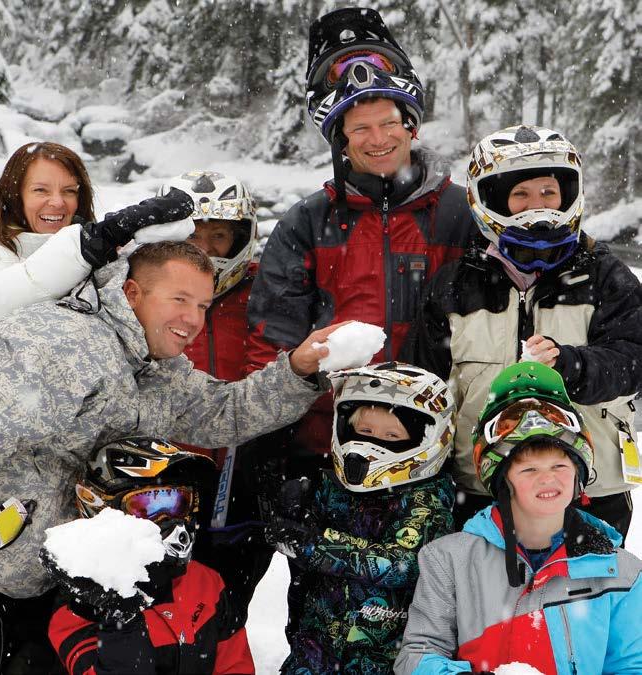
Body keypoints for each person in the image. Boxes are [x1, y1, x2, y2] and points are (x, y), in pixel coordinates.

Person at [0, 239, 341, 605]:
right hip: (10, 583)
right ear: (132, 293)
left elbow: (226, 411)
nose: (193, 319)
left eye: (202, 306)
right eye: (179, 299)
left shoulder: (156, 367)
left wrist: (298, 369)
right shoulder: (60, 344)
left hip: (81, 577)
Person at [246, 6, 476, 489]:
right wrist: (269, 448)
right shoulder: (307, 223)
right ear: (340, 140)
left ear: (411, 124)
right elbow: (272, 341)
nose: (378, 139)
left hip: (445, 448)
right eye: (360, 129)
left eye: (389, 122)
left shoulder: (464, 214)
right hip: (332, 449)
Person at [401, 124, 642, 535]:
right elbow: (424, 381)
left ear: (569, 194)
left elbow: (633, 362)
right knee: (480, 579)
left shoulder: (606, 276)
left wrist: (571, 366)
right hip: (479, 486)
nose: (538, 205)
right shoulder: (454, 285)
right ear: (492, 200)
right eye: (521, 195)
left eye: (548, 192)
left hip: (589, 487)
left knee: (588, 579)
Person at [394, 362, 642, 674]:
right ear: (502, 481)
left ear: (578, 474)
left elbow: (631, 665)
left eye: (559, 466)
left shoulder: (623, 572)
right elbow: (417, 656)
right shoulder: (450, 560)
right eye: (529, 469)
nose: (547, 479)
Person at [264, 362, 456, 674]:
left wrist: (317, 545)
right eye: (364, 432)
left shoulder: (426, 499)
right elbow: (302, 555)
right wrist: (293, 514)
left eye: (391, 435)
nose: (371, 444)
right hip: (314, 651)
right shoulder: (333, 487)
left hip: (383, 659)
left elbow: (402, 563)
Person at [160, 169, 271, 625]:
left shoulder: (265, 290)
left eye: (218, 236)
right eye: (191, 236)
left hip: (240, 469)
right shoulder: (144, 293)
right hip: (166, 472)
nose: (203, 249)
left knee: (225, 606)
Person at [45, 437, 255, 675]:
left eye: (178, 503)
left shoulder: (206, 583)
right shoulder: (76, 609)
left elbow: (236, 667)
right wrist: (122, 619)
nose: (170, 520)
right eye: (146, 507)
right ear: (102, 511)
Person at [0, 141, 195, 320]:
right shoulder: (1, 253)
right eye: (40, 190)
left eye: (69, 191)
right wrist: (91, 243)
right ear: (14, 196)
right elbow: (8, 295)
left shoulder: (98, 255)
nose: (57, 202)